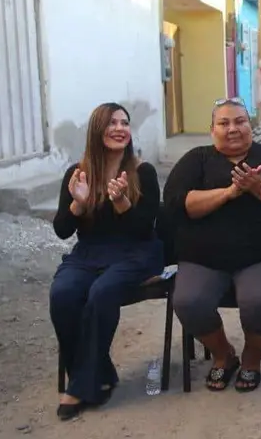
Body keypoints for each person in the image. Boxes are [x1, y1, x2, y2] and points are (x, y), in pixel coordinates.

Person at [164, 98, 261, 393]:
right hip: (204, 259)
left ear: (250, 127)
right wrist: (229, 193)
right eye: (224, 123)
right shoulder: (197, 160)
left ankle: (251, 357)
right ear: (212, 130)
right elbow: (178, 204)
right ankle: (223, 354)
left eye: (240, 121)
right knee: (188, 302)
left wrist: (258, 187)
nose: (233, 129)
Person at [48, 103, 163, 420]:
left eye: (124, 123)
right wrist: (78, 205)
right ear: (97, 130)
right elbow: (62, 230)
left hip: (137, 253)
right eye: (111, 122)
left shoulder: (143, 173)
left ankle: (79, 388)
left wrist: (122, 202)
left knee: (102, 292)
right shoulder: (77, 173)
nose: (119, 128)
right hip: (90, 253)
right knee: (63, 295)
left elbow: (144, 228)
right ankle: (99, 374)